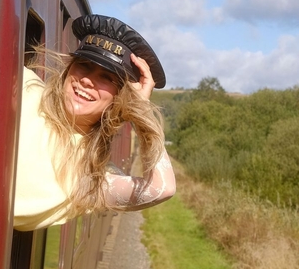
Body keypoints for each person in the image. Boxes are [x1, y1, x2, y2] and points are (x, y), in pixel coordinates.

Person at [13, 14, 176, 231]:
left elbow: (161, 189)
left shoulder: (91, 178)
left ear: (120, 98)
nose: (88, 80)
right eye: (84, 65)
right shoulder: (24, 86)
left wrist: (141, 109)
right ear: (69, 69)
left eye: (107, 78)